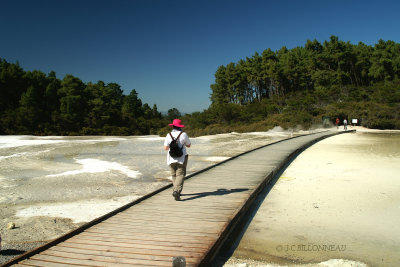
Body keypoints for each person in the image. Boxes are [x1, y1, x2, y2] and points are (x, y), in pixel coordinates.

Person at [164, 119, 191, 201]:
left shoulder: (168, 135)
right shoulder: (184, 134)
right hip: (181, 157)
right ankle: (176, 191)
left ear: (172, 126)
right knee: (180, 174)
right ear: (180, 126)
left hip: (171, 158)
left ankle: (175, 190)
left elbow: (165, 148)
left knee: (174, 175)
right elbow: (189, 145)